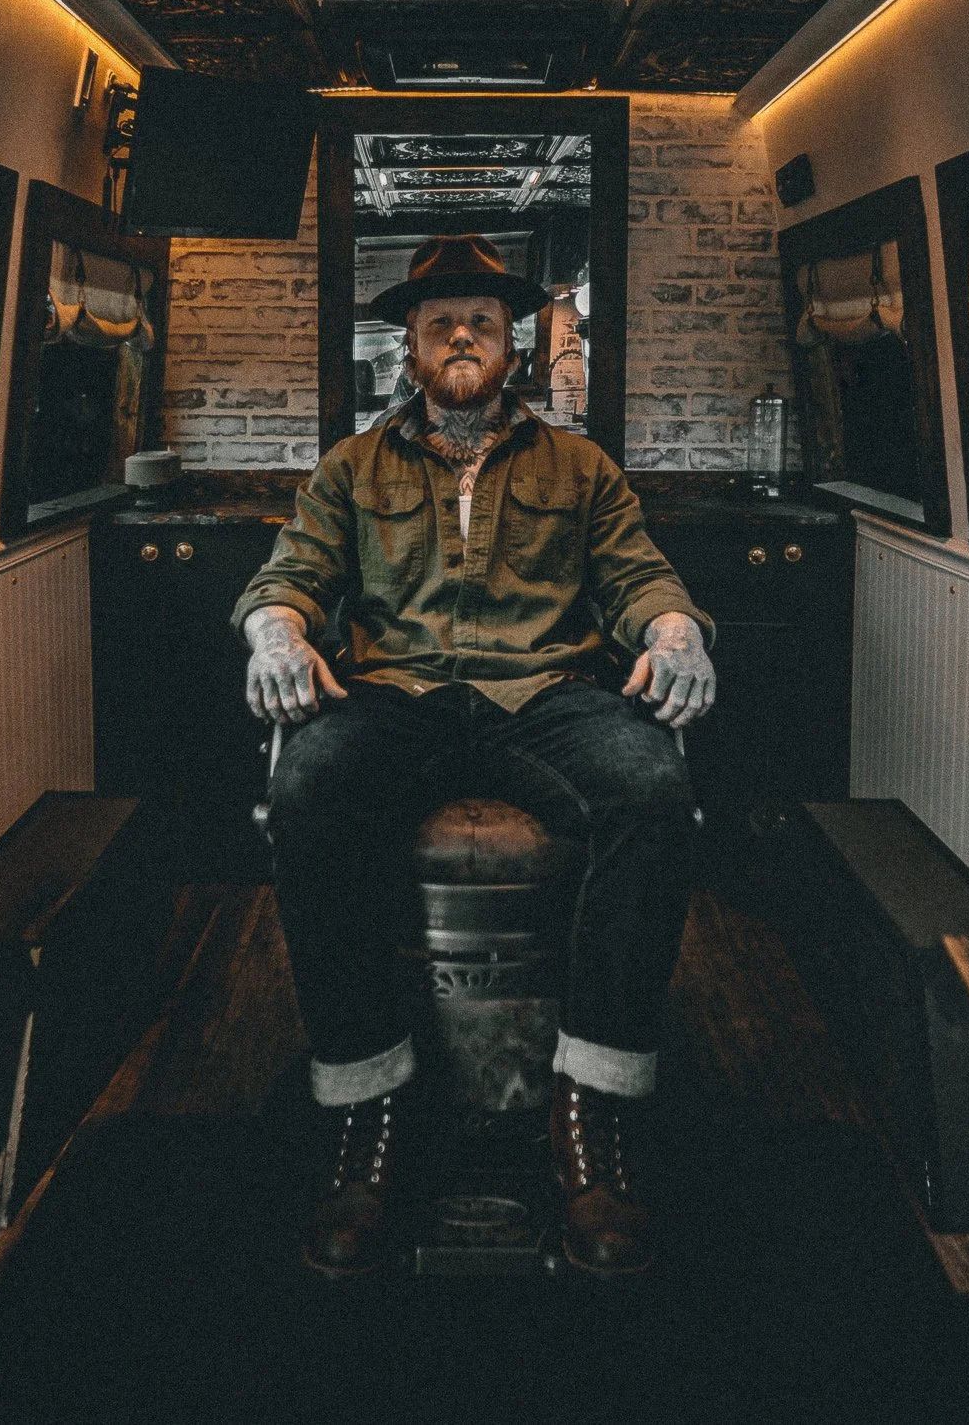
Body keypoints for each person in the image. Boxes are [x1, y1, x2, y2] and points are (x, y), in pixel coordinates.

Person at [232, 234, 716, 1277]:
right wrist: (276, 633)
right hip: (398, 692)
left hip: (543, 691)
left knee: (652, 788)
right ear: (409, 345)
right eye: (441, 321)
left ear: (513, 347)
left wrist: (676, 632)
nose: (462, 336)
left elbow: (638, 576)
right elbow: (292, 574)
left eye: (483, 323)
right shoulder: (351, 467)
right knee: (306, 789)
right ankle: (370, 1101)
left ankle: (589, 1105)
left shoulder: (580, 467)